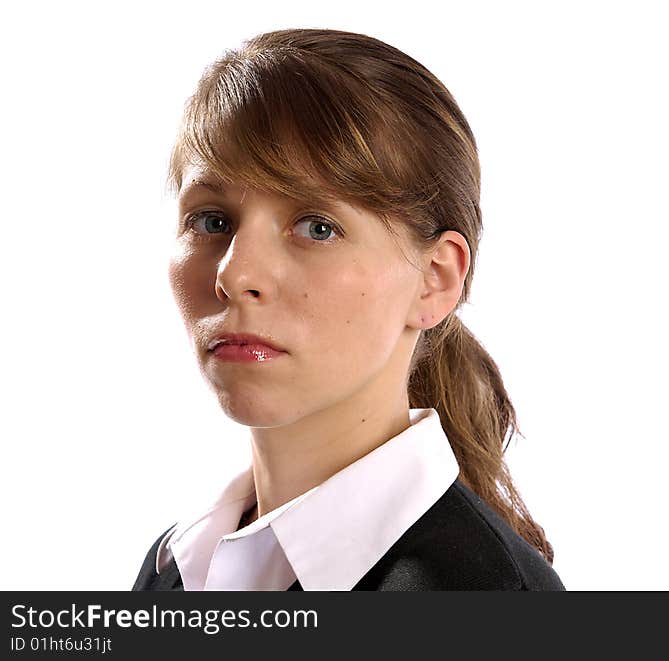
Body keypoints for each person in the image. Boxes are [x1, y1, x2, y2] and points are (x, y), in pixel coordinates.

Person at [132, 27, 564, 591]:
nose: (235, 275)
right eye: (213, 221)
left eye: (317, 227)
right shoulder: (174, 568)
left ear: (434, 280)